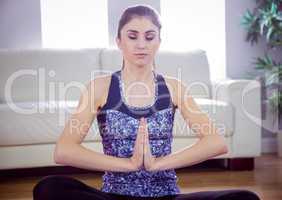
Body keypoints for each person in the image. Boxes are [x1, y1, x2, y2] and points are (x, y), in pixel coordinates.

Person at [33, 4, 261, 200]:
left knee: (245, 198)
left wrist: (157, 164)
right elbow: (63, 150)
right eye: (132, 36)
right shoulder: (100, 87)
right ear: (119, 41)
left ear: (159, 42)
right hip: (114, 196)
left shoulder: (173, 87)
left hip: (166, 195)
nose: (141, 44)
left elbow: (216, 142)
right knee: (49, 188)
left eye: (149, 37)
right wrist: (129, 164)